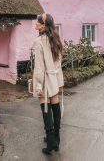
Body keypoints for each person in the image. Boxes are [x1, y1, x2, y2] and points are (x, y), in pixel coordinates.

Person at [32, 13, 64, 155]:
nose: (36, 23)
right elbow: (59, 63)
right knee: (54, 102)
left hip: (44, 78)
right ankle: (56, 137)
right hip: (55, 76)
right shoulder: (55, 39)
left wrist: (38, 85)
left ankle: (51, 141)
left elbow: (39, 66)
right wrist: (59, 81)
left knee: (45, 105)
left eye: (38, 21)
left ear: (43, 25)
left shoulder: (39, 41)